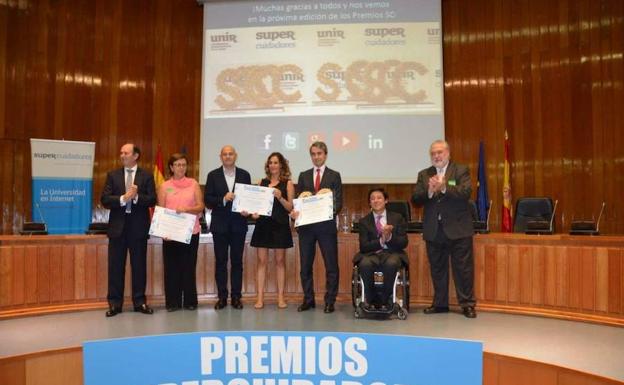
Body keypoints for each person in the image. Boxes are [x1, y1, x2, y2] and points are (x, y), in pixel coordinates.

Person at [411, 140, 477, 318]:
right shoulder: (424, 174)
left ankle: (467, 304)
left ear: (448, 153)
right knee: (437, 269)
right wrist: (430, 191)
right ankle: (440, 304)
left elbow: (466, 192)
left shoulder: (460, 170)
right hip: (434, 229)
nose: (436, 156)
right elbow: (416, 199)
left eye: (439, 152)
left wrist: (444, 188)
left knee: (463, 269)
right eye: (433, 153)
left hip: (458, 229)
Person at [100, 143, 156, 317]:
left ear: (136, 155)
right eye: (121, 152)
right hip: (117, 229)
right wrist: (124, 198)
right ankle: (115, 304)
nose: (122, 155)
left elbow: (152, 199)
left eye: (126, 152)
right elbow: (105, 199)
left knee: (139, 267)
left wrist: (137, 197)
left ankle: (140, 302)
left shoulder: (146, 176)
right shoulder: (112, 175)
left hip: (138, 228)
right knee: (115, 267)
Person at [291, 141, 342, 314]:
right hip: (306, 228)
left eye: (319, 153)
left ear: (325, 154)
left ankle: (330, 301)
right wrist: (296, 212)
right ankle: (308, 299)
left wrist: (325, 210)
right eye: (313, 154)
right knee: (305, 266)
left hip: (326, 228)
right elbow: (299, 201)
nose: (316, 157)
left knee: (331, 266)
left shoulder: (334, 175)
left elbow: (338, 203)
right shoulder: (303, 176)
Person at [204, 145, 251, 310]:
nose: (228, 156)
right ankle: (222, 297)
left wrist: (248, 211)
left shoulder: (245, 175)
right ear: (221, 157)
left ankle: (236, 297)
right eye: (225, 154)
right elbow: (208, 200)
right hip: (220, 226)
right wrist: (223, 199)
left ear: (235, 156)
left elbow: (249, 199)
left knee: (237, 263)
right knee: (221, 262)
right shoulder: (212, 175)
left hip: (239, 225)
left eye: (231, 154)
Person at [157, 153, 205, 312]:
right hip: (170, 233)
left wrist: (187, 209)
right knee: (171, 268)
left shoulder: (193, 184)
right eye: (177, 165)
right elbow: (161, 210)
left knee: (188, 267)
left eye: (183, 164)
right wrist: (162, 230)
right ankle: (172, 302)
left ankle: (190, 301)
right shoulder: (164, 186)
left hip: (191, 232)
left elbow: (200, 207)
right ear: (171, 167)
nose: (181, 168)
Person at [249, 152, 294, 309]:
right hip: (263, 225)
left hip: (280, 225)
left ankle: (281, 298)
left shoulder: (287, 183)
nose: (273, 165)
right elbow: (255, 208)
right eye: (270, 163)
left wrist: (280, 197)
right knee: (261, 262)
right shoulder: (261, 182)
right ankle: (260, 297)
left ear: (281, 164)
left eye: (276, 162)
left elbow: (291, 208)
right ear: (268, 166)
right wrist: (253, 214)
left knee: (280, 262)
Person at [354, 188, 408, 309]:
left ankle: (385, 299)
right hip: (371, 254)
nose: (376, 201)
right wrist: (381, 241)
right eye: (372, 199)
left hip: (391, 253)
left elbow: (404, 242)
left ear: (386, 201)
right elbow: (364, 246)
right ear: (369, 203)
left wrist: (389, 237)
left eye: (379, 198)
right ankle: (371, 299)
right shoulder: (364, 221)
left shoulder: (397, 218)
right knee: (365, 264)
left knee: (391, 263)